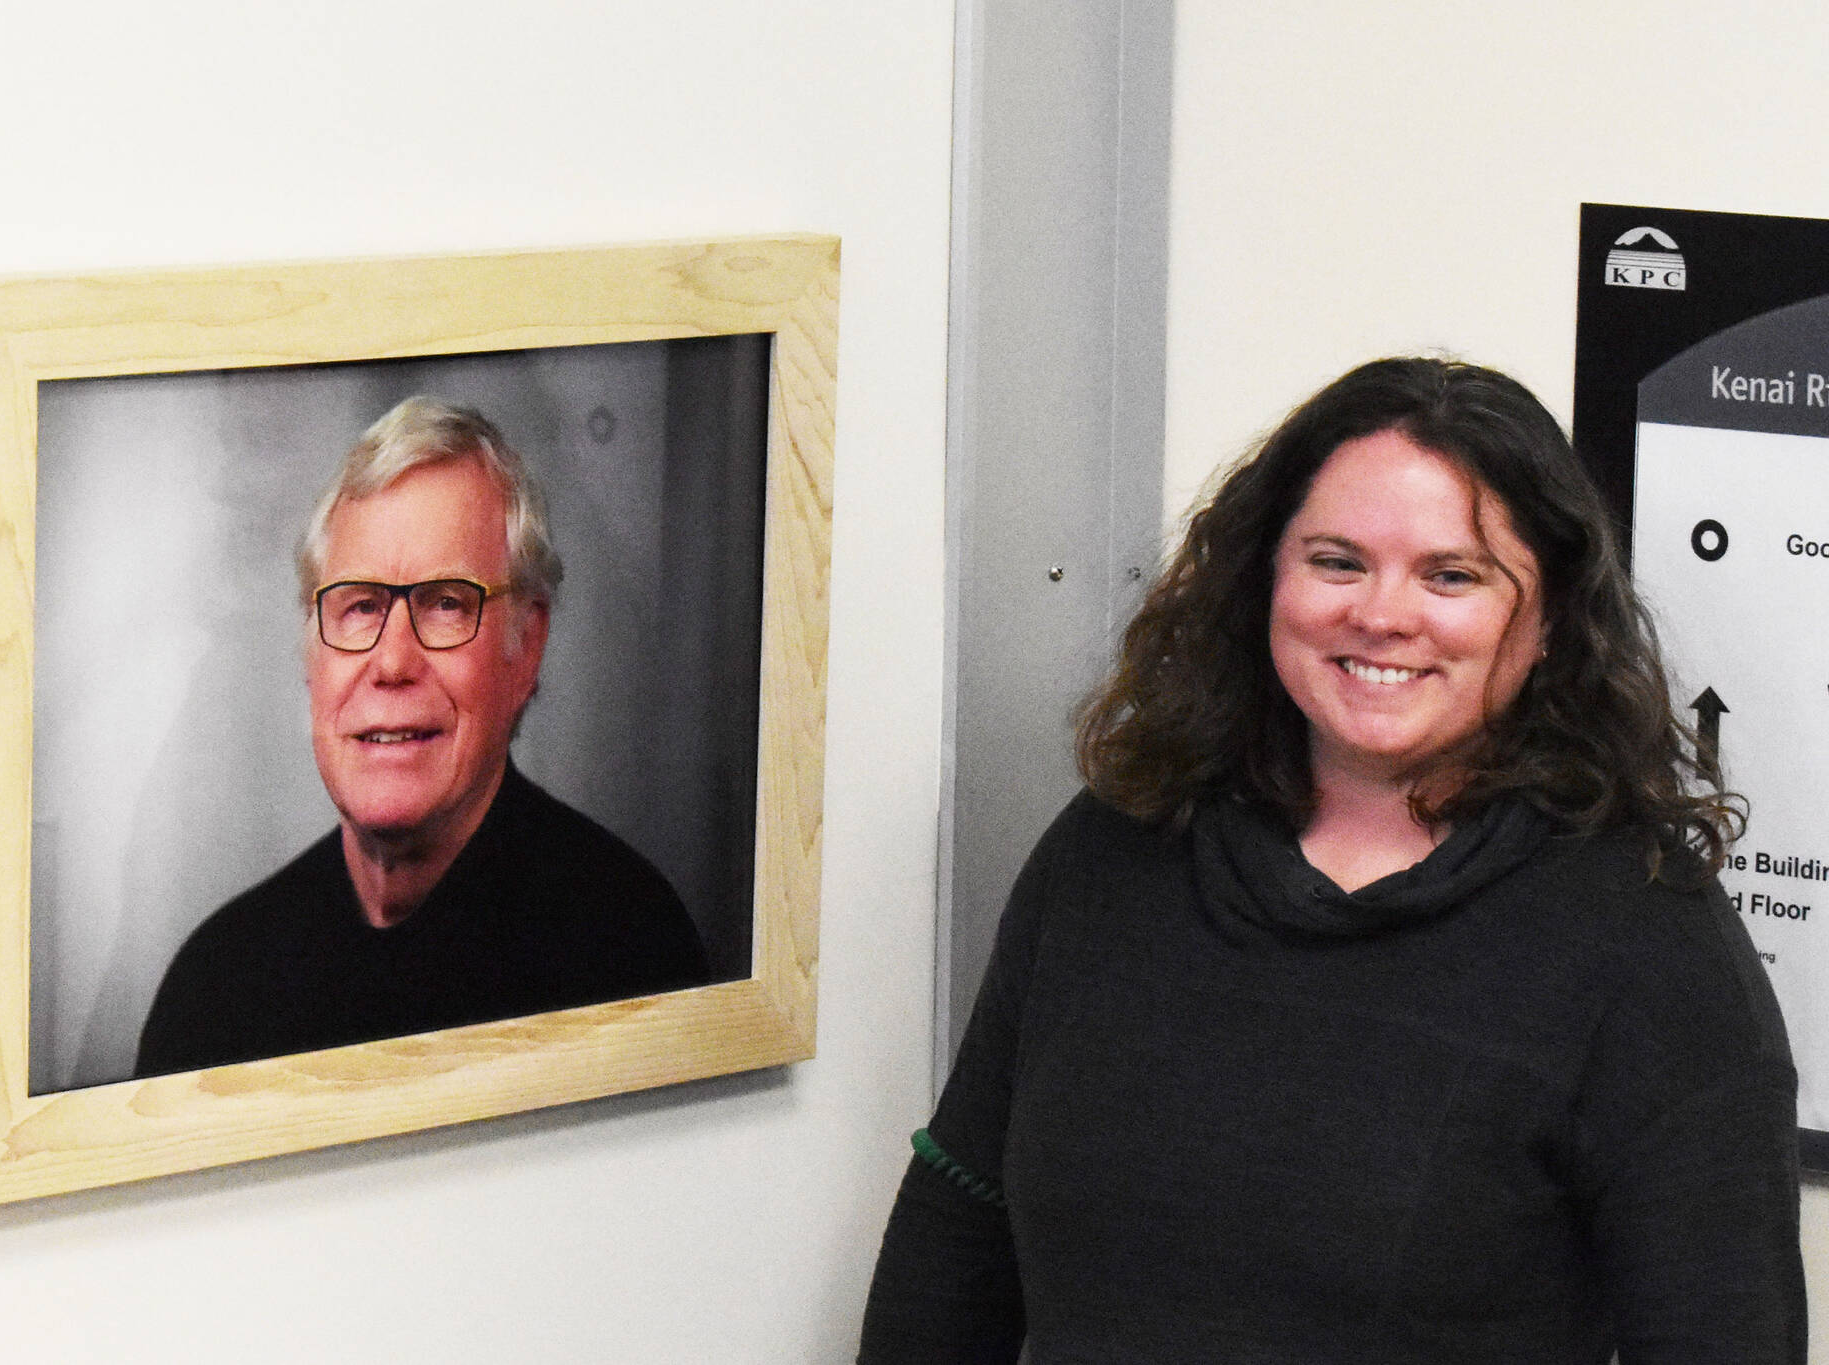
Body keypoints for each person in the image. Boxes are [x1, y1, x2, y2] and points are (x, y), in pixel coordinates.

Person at [859, 358, 1803, 1362]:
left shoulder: (1645, 946)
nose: (1380, 614)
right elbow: (956, 1226)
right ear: (1264, 575)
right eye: (1336, 561)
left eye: (1450, 575)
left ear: (1547, 623)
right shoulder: (1113, 849)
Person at [136, 398, 710, 1077]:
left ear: (527, 646)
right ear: (311, 656)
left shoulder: (631, 950)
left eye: (445, 603)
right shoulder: (215, 986)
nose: (393, 662)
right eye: (359, 607)